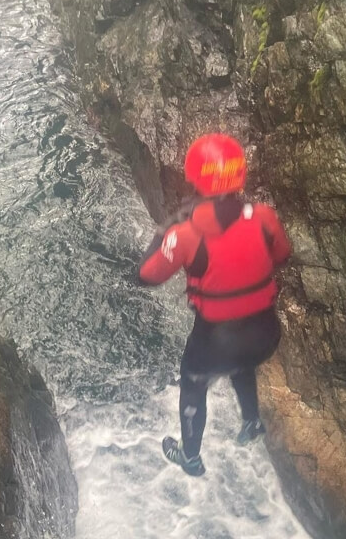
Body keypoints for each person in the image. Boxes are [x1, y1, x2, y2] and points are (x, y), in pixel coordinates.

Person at [139, 133, 292, 476]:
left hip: (216, 343)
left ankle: (190, 458)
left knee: (194, 383)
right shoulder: (264, 216)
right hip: (265, 334)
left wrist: (164, 233)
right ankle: (251, 422)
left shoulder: (186, 232)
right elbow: (282, 254)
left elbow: (148, 275)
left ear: (194, 178)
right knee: (242, 362)